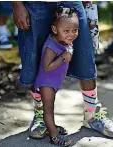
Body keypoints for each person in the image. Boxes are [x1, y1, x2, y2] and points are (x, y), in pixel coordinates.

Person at [12, 1, 113, 141]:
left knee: (85, 57)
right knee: (35, 57)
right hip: (35, 4)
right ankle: (41, 115)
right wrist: (17, 4)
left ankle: (92, 115)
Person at [33, 7, 79, 146]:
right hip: (46, 82)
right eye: (66, 31)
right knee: (48, 109)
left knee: (50, 108)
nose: (71, 34)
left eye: (74, 30)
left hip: (53, 81)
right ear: (54, 29)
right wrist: (63, 58)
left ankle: (51, 126)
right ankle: (54, 136)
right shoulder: (51, 46)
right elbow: (47, 67)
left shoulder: (62, 40)